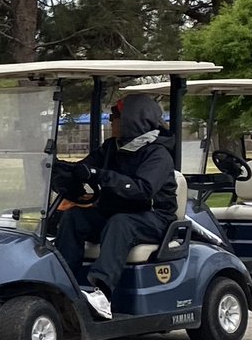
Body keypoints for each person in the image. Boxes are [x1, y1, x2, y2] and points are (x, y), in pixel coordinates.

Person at [53, 94, 178, 320]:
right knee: (74, 218)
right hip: (116, 214)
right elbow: (85, 168)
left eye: (115, 117)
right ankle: (61, 285)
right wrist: (58, 169)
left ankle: (104, 295)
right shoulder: (112, 147)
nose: (110, 121)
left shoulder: (157, 153)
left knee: (121, 222)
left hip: (154, 217)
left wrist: (100, 175)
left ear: (134, 119)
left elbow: (142, 191)